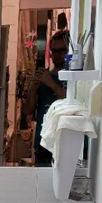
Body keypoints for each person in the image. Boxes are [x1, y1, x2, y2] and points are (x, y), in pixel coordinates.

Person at [27, 29, 68, 166]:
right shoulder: (44, 77)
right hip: (43, 144)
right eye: (54, 51)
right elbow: (28, 111)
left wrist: (51, 83)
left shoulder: (73, 77)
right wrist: (33, 88)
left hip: (64, 143)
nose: (57, 55)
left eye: (61, 50)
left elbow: (72, 101)